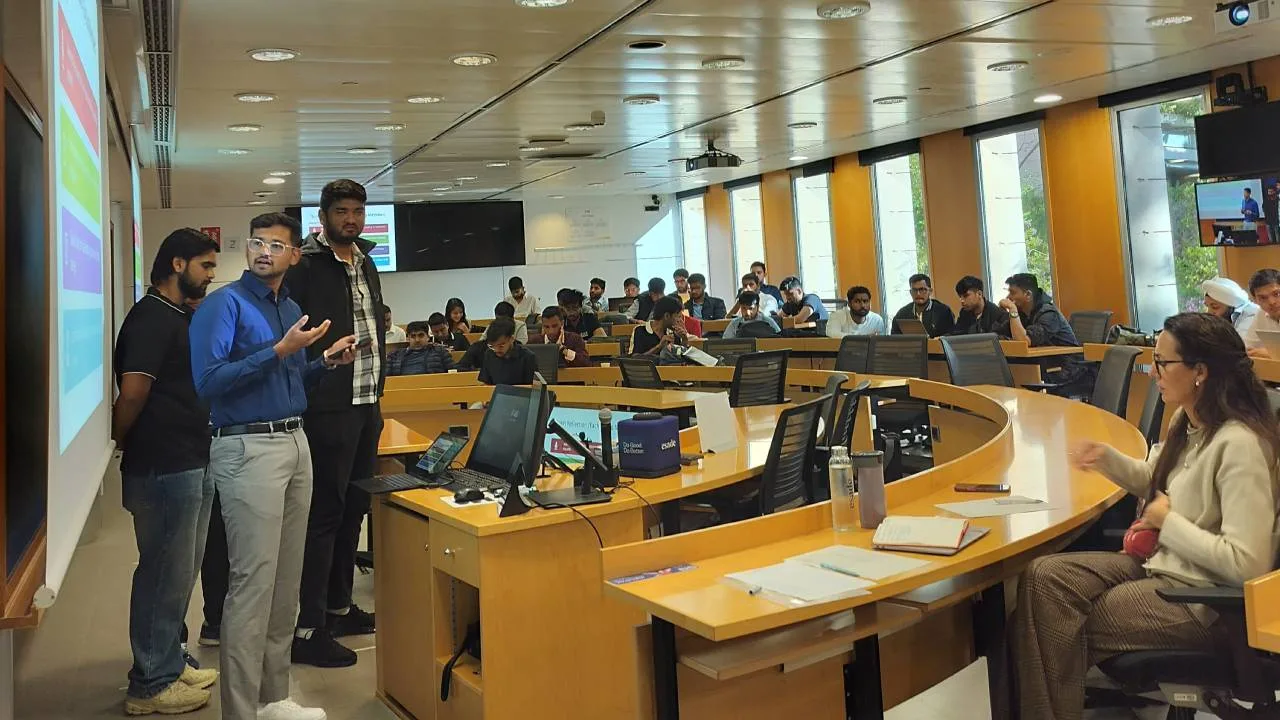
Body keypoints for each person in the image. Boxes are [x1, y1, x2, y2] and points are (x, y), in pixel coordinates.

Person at [1015, 312, 1280, 719]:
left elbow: (1247, 564)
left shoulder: (1240, 445)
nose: (1153, 370)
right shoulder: (1187, 422)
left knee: (1045, 624)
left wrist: (1166, 523)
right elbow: (1154, 478)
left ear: (1200, 373)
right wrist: (1106, 458)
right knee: (1043, 579)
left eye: (1162, 362)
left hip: (1200, 601)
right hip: (1162, 567)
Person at [190, 212, 359, 720]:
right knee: (253, 586)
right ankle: (240, 712)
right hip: (246, 449)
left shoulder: (289, 306)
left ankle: (273, 698)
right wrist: (276, 351)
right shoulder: (224, 305)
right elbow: (208, 382)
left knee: (287, 583)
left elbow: (289, 381)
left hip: (294, 441)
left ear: (293, 256)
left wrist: (322, 361)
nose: (264, 251)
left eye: (276, 245)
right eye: (257, 242)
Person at [114, 228, 221, 716]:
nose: (211, 274)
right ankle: (150, 683)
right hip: (162, 465)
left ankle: (170, 662)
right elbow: (132, 393)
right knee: (161, 572)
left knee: (181, 572)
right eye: (205, 266)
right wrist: (120, 438)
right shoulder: (150, 318)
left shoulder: (180, 314)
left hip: (192, 458)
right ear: (177, 265)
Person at [286, 180, 386, 669]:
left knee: (354, 509)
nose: (351, 219)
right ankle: (308, 628)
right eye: (342, 211)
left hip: (368, 402)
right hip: (328, 405)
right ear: (324, 216)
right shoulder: (305, 264)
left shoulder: (366, 261)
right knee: (324, 514)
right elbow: (294, 333)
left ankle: (339, 607)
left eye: (357, 211)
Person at [1000, 273, 1094, 396]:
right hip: (1045, 364)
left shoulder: (1049, 314)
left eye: (1013, 293)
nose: (1008, 297)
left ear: (1028, 295)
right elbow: (998, 334)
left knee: (1021, 378)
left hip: (1068, 368)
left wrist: (1012, 311)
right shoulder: (1024, 313)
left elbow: (1023, 341)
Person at [476, 317, 538, 385]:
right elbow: (486, 383)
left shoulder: (528, 357)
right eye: (492, 346)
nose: (496, 350)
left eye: (501, 345)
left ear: (511, 339)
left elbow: (531, 387)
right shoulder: (489, 354)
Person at [387, 321, 457, 375]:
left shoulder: (440, 352)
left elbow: (453, 373)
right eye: (413, 336)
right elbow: (385, 380)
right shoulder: (394, 356)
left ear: (428, 337)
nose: (417, 340)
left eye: (421, 335)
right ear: (408, 338)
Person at [1244, 268, 1280, 358]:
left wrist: (1271, 354)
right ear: (1255, 300)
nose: (1271, 302)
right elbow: (1248, 348)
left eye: (1276, 294)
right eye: (1263, 298)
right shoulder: (1261, 314)